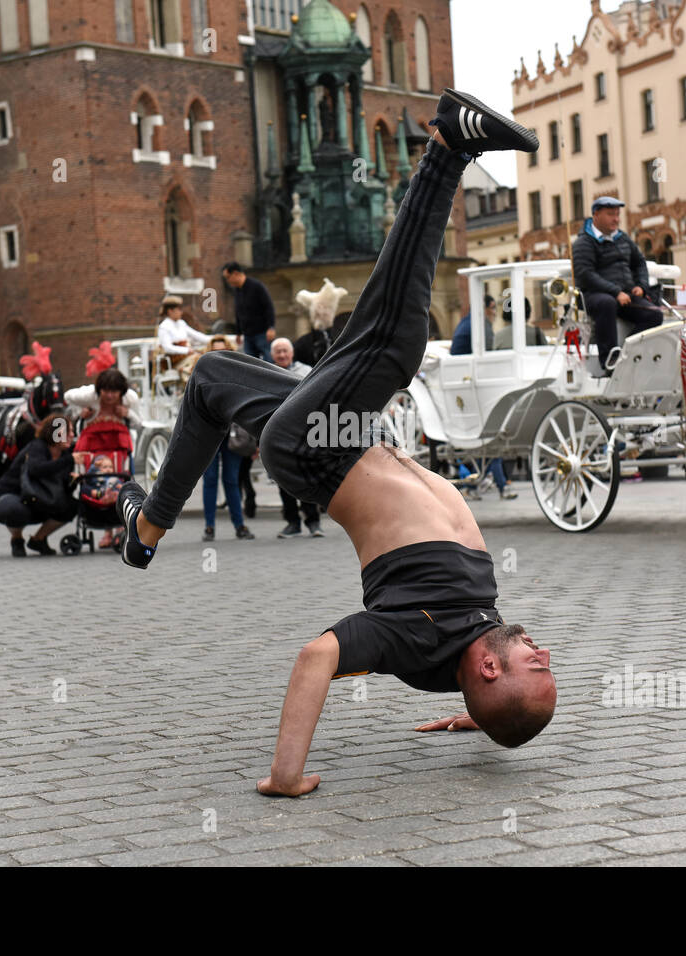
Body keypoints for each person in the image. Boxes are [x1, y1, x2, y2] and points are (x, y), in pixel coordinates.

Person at [117, 89, 554, 796]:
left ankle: (447, 147)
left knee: (392, 338)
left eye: (535, 665)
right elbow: (490, 684)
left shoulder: (414, 640)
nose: (543, 651)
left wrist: (285, 776)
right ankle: (148, 525)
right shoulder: (476, 642)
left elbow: (317, 656)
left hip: (321, 450)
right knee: (209, 382)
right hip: (345, 438)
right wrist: (485, 716)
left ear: (491, 669)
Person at [571, 196, 662, 373]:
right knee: (607, 303)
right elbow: (585, 274)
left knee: (654, 315)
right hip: (593, 295)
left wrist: (641, 286)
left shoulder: (623, 239)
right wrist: (615, 292)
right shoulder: (584, 242)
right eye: (611, 214)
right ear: (596, 215)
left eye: (617, 214)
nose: (616, 219)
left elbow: (640, 263)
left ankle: (629, 353)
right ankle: (609, 360)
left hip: (626, 294)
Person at [0, 413, 77, 556]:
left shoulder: (65, 455)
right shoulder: (37, 447)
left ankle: (38, 539)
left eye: (72, 431)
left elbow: (64, 489)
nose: (72, 435)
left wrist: (74, 481)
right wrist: (68, 461)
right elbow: (37, 469)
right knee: (17, 509)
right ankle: (16, 538)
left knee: (72, 505)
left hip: (38, 498)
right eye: (68, 431)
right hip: (10, 496)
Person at [72, 368, 134, 549]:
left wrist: (127, 414)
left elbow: (137, 421)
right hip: (96, 473)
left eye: (114, 391)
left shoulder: (124, 406)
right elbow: (78, 431)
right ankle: (109, 531)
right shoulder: (91, 406)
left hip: (117, 460)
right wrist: (81, 416)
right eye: (106, 391)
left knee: (119, 482)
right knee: (97, 482)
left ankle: (117, 529)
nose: (109, 395)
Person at [270, 338, 323, 538]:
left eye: (285, 351)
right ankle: (292, 522)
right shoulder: (266, 372)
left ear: (291, 353)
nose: (282, 355)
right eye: (278, 352)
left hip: (304, 433)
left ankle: (314, 522)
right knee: (283, 479)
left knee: (306, 477)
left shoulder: (307, 371)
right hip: (276, 434)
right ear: (272, 355)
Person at [222, 262, 276, 362]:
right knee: (250, 363)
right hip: (248, 335)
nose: (227, 281)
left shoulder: (256, 286)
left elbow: (269, 307)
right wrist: (238, 332)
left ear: (235, 273)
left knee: (269, 361)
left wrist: (271, 327)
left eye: (228, 277)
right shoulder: (237, 291)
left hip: (262, 332)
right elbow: (238, 312)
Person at [157, 295, 212, 360]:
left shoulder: (181, 323)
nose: (181, 312)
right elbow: (167, 347)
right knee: (200, 360)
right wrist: (186, 350)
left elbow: (197, 335)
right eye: (179, 310)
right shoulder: (164, 326)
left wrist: (215, 339)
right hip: (175, 361)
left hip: (186, 356)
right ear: (170, 311)